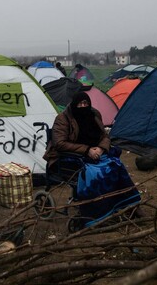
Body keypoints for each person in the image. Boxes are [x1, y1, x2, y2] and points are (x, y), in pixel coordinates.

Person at [43, 91, 141, 221]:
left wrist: (100, 148)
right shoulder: (63, 118)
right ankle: (98, 213)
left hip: (96, 152)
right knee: (98, 173)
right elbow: (59, 143)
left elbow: (104, 136)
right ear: (74, 104)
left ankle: (129, 204)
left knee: (116, 166)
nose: (83, 106)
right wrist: (87, 150)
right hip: (71, 156)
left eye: (86, 103)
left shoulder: (94, 114)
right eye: (80, 103)